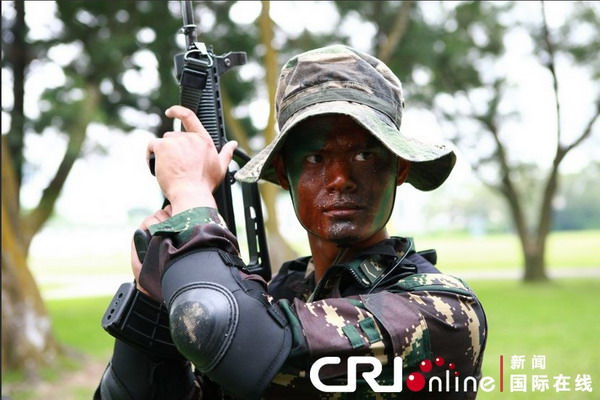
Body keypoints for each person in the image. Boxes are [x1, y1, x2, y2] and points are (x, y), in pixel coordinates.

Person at [95, 45, 487, 400]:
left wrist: (190, 196)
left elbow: (227, 333)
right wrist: (151, 297)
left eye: (364, 155)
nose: (340, 179)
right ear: (285, 174)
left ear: (398, 169)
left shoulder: (441, 312)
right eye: (316, 158)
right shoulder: (283, 291)